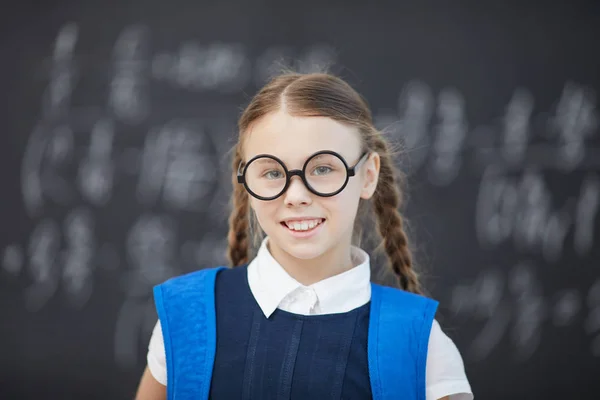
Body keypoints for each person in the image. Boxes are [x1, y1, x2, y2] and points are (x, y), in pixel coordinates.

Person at [135, 71, 473, 400]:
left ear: (368, 175)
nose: (296, 195)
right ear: (246, 181)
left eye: (323, 169)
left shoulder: (421, 344)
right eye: (271, 172)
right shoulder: (185, 319)